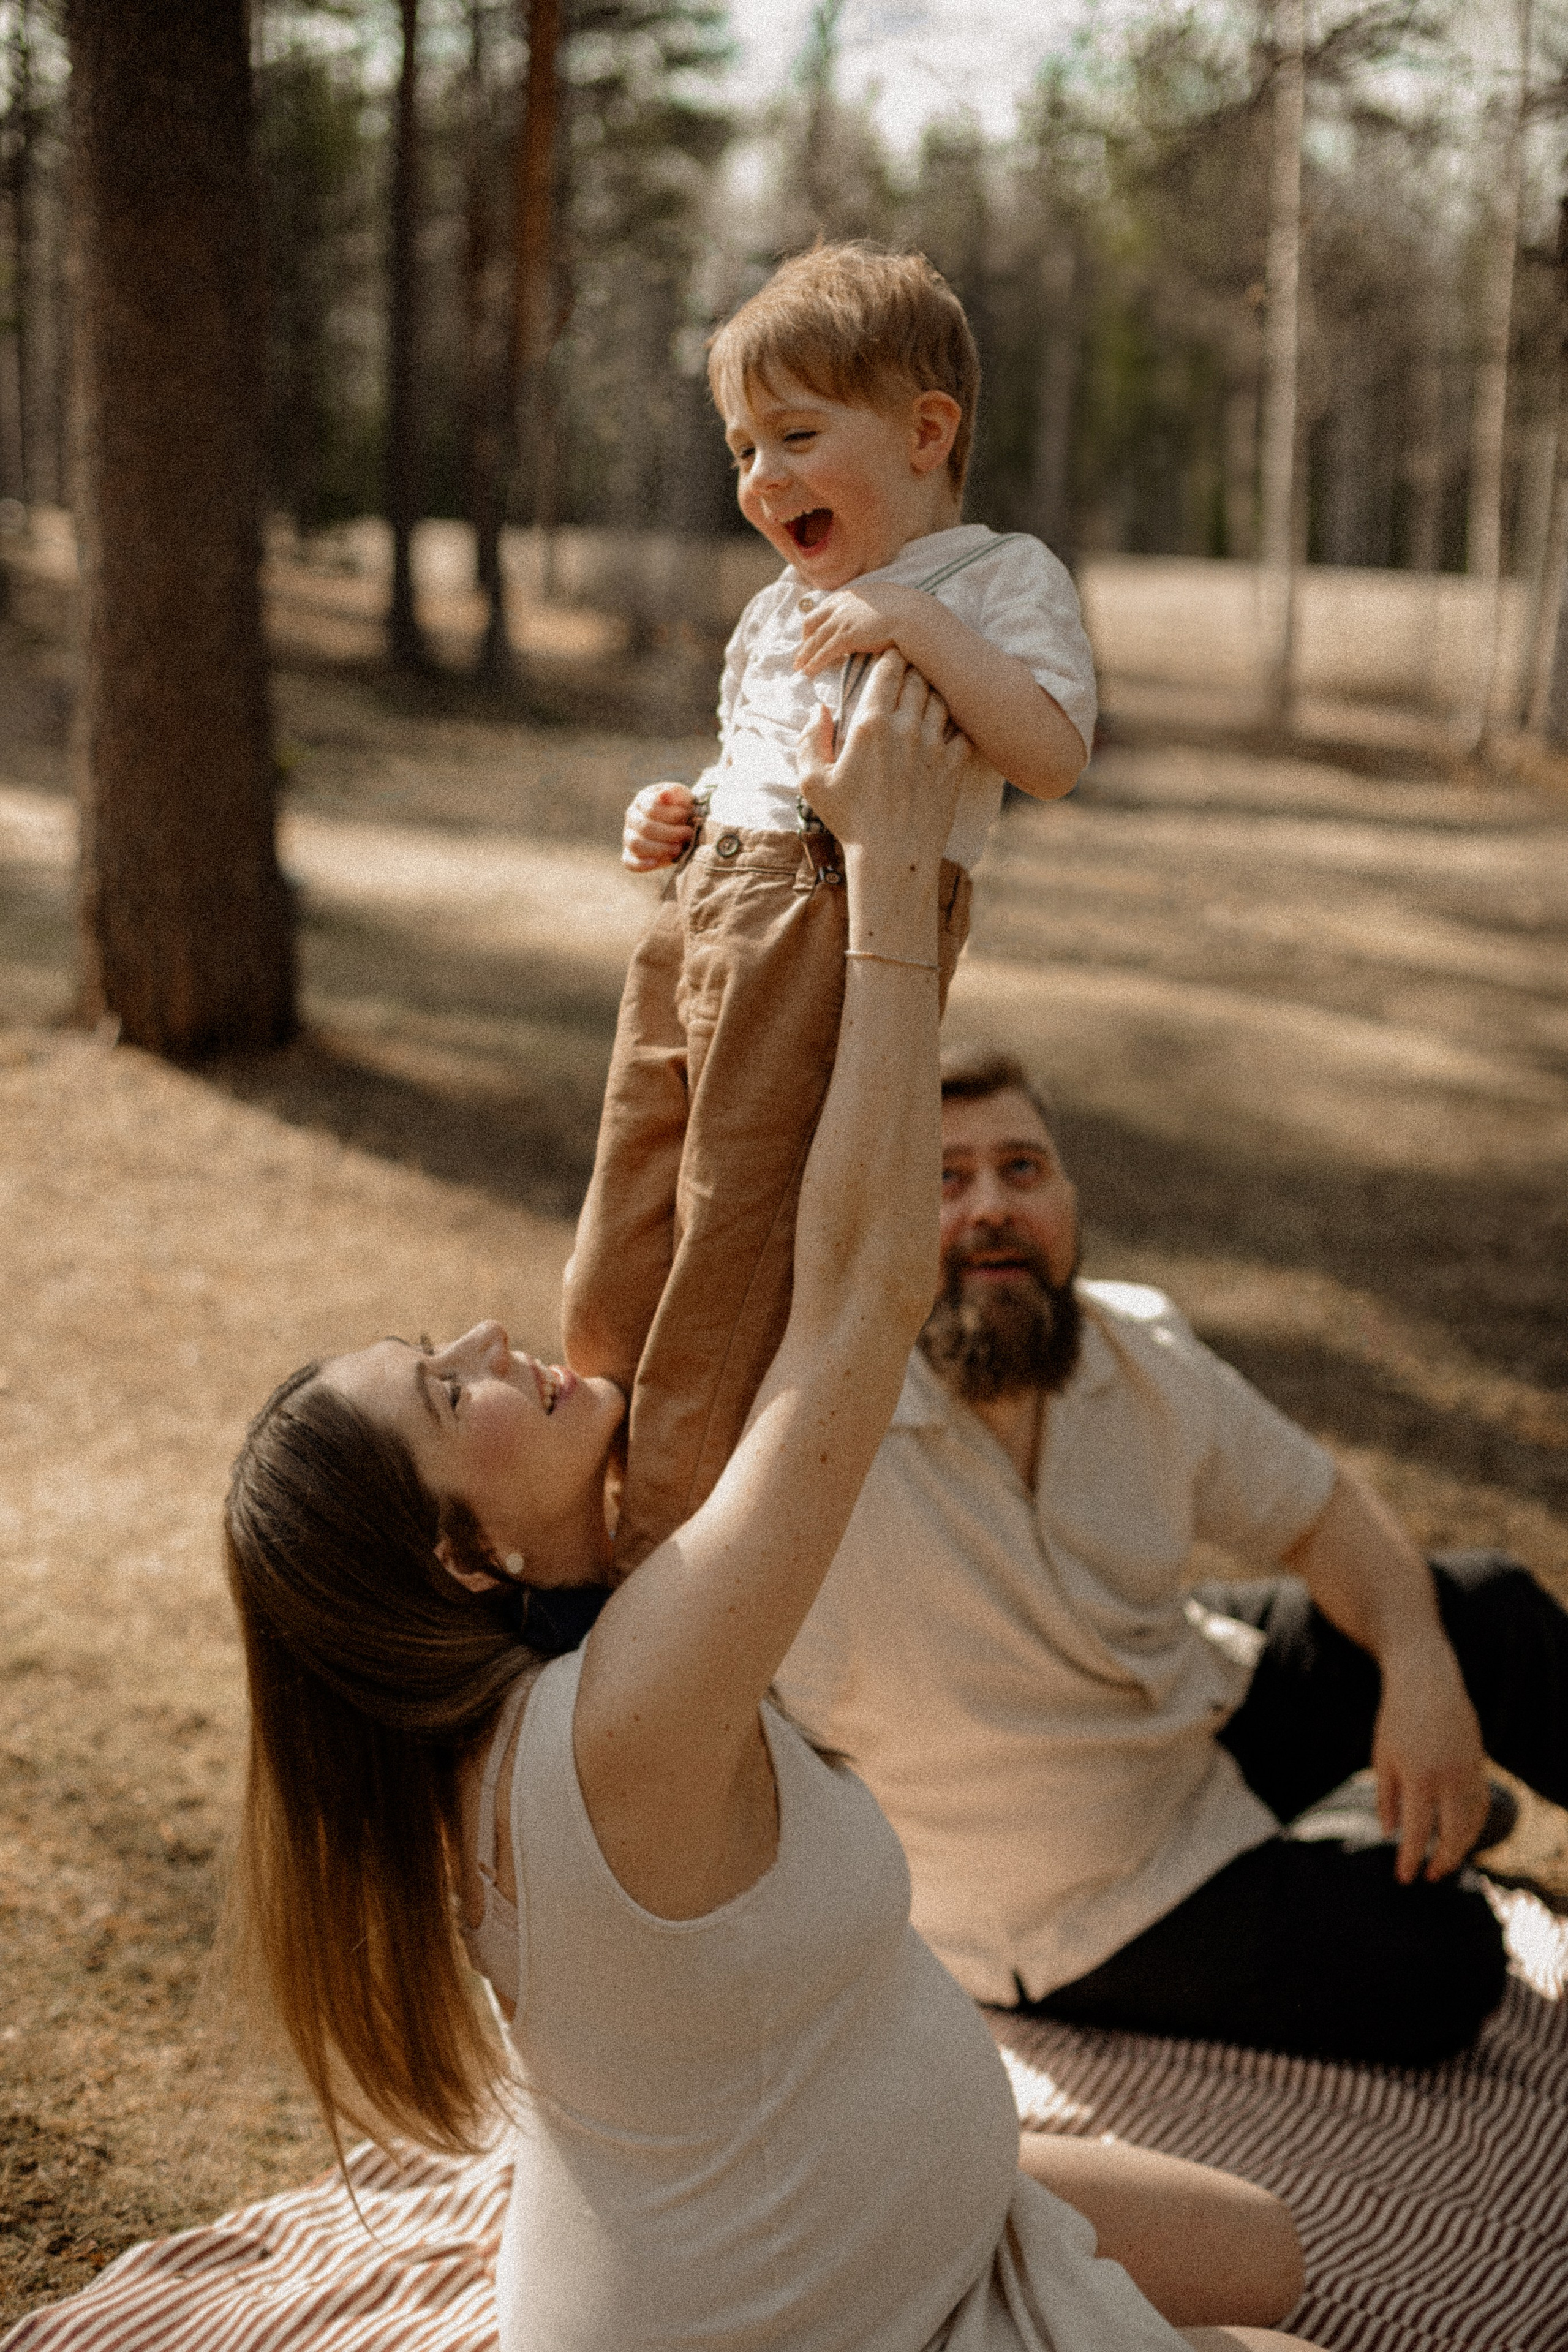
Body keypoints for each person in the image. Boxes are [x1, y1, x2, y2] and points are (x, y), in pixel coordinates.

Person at [224, 661, 1322, 2352]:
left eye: (438, 1345)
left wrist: (691, 917)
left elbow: (656, 1231)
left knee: (1264, 2251)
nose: (485, 1343)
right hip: (785, 2317)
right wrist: (887, 884)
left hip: (882, 2198)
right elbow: (863, 1295)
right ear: (460, 1550)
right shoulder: (628, 1719)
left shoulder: (561, 1625)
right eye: (448, 1393)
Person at [773, 1050, 1568, 2066]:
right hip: (1079, 1897)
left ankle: (1371, 1804)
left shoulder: (1135, 1344)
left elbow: (1323, 1512)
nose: (991, 1208)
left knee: (1486, 1612)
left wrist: (1418, 1668)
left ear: (1069, 1201)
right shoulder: (811, 1431)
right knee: (1447, 1960)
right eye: (942, 1179)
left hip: (1189, 1703)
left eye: (1023, 1169)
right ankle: (1358, 1827)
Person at [562, 241, 1098, 1575]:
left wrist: (912, 624)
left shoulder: (995, 579)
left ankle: (660, 1547)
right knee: (627, 1205)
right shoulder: (774, 610)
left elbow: (1048, 752)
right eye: (744, 450)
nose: (763, 478)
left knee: (732, 1228)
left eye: (796, 437)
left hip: (830, 910)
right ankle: (573, 1477)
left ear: (926, 433)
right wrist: (674, 814)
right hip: (704, 904)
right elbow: (746, 756)